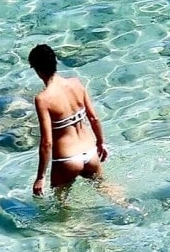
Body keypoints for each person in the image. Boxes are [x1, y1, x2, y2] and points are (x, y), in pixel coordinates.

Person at [28, 43, 110, 196]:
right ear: (55, 62)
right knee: (106, 189)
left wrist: (40, 177)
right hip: (90, 152)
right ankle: (131, 208)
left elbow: (47, 142)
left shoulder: (43, 99)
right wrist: (101, 142)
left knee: (62, 208)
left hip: (67, 159)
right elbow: (93, 117)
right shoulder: (76, 83)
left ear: (37, 70)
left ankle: (79, 222)